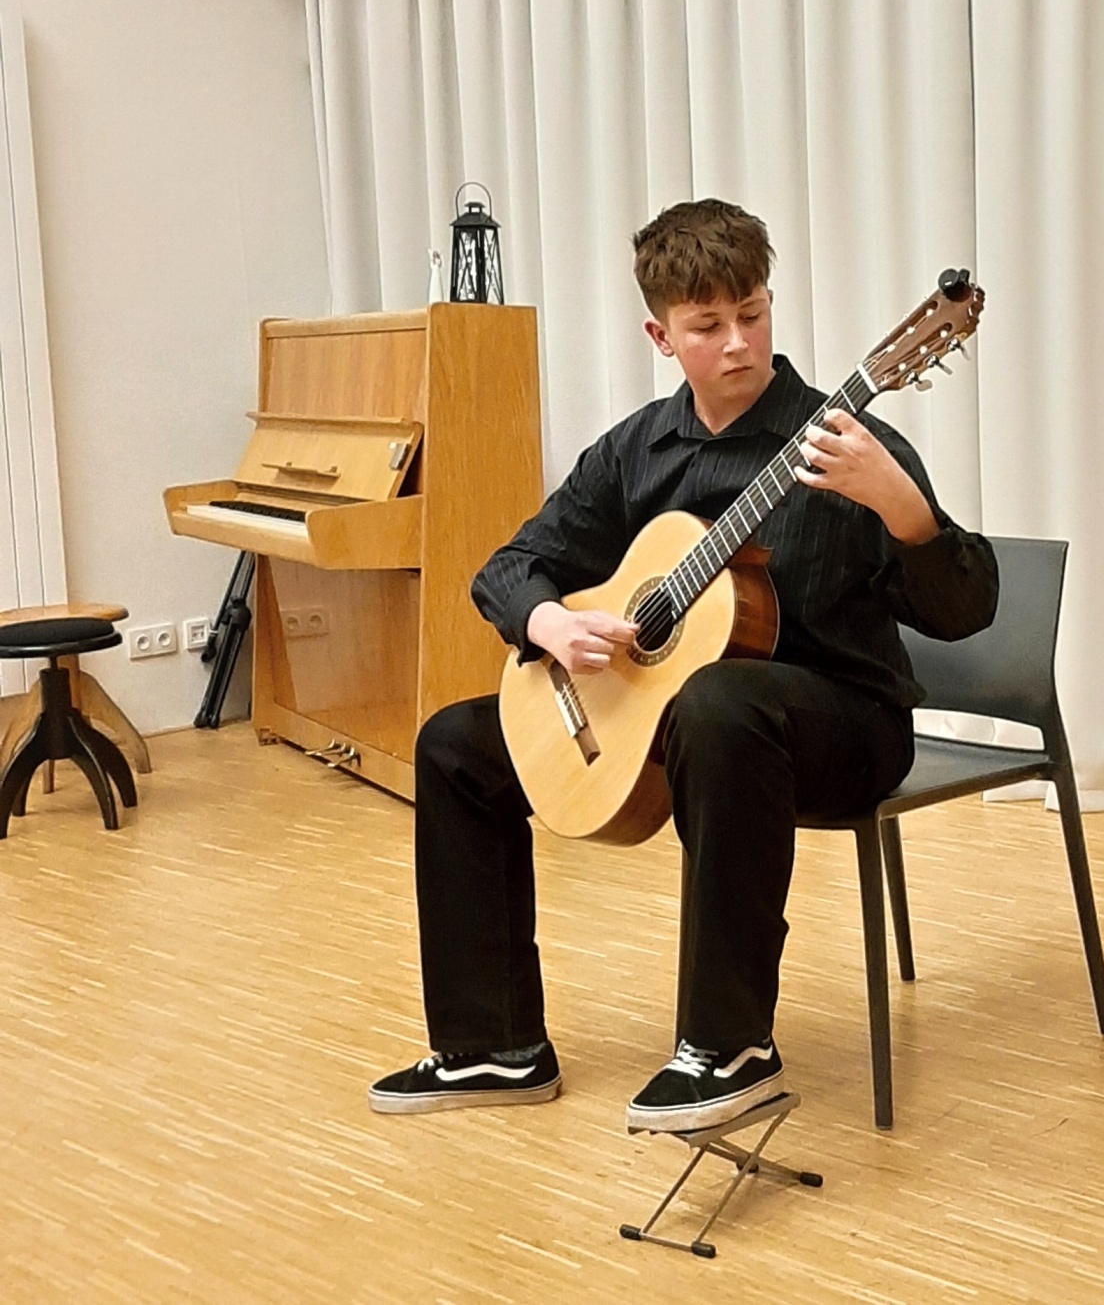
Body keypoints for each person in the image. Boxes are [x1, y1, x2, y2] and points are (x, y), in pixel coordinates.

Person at [369, 198, 999, 1132]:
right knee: (456, 743)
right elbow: (509, 566)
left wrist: (903, 510)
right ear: (661, 337)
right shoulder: (636, 451)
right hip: (694, 724)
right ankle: (491, 1046)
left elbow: (967, 609)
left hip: (846, 725)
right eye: (708, 326)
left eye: (752, 313)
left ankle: (728, 1048)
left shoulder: (842, 441)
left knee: (720, 702)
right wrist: (549, 622)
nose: (738, 342)